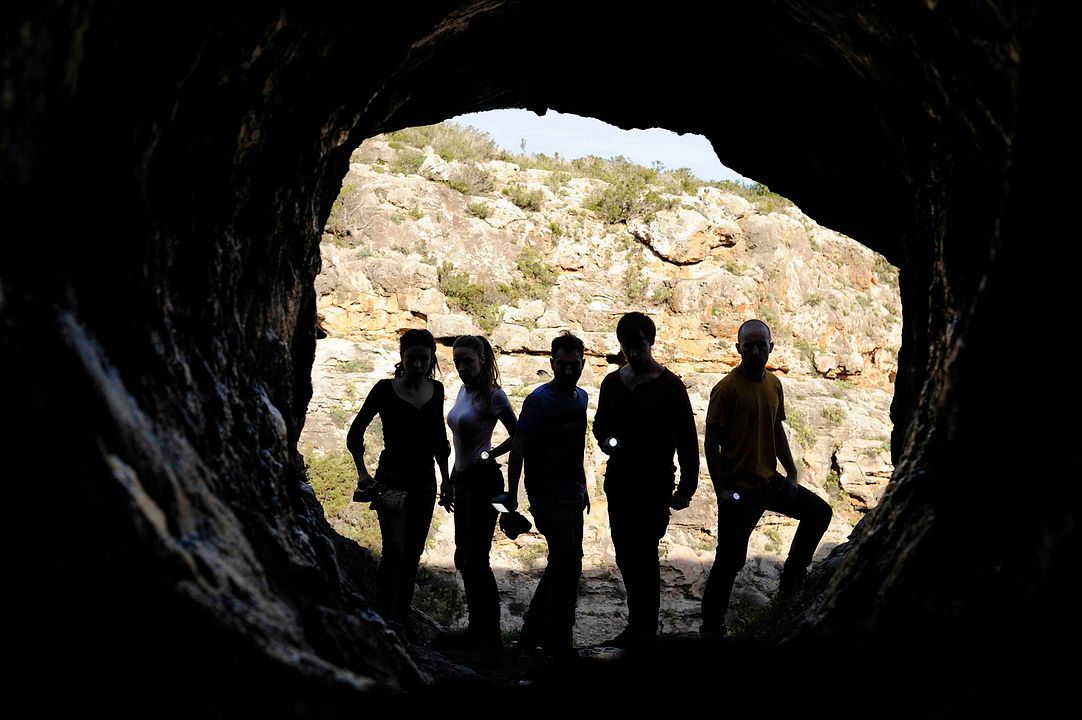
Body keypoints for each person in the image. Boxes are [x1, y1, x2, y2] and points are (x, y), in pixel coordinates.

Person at [700, 319, 833, 639]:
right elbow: (710, 441)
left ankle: (792, 578)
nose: (757, 351)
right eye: (750, 346)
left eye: (762, 345)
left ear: (772, 348)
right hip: (739, 488)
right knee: (730, 560)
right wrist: (720, 490)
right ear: (738, 349)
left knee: (819, 512)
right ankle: (711, 628)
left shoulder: (774, 384)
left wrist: (791, 471)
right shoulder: (726, 389)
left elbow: (777, 429)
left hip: (769, 481)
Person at [592, 312, 698, 648]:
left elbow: (687, 439)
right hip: (620, 481)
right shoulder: (612, 383)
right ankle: (637, 625)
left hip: (654, 485)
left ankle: (645, 631)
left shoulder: (671, 386)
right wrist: (608, 441)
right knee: (625, 554)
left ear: (650, 342)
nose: (633, 352)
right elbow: (599, 425)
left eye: (638, 344)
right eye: (627, 346)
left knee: (645, 553)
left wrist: (687, 487)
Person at [347, 329, 450, 624]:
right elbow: (355, 434)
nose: (417, 364)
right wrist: (363, 474)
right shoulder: (383, 389)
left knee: (412, 553)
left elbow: (439, 440)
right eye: (412, 358)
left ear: (431, 359)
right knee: (394, 549)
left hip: (425, 482)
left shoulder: (438, 390)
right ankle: (381, 616)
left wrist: (446, 480)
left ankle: (400, 621)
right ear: (402, 357)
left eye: (423, 359)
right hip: (390, 479)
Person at [502, 332, 589, 660]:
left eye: (574, 365)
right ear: (552, 364)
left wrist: (584, 487)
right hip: (546, 494)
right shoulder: (539, 401)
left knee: (565, 562)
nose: (568, 371)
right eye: (562, 365)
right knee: (568, 563)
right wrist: (513, 493)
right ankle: (558, 640)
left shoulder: (581, 398)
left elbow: (576, 447)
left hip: (572, 494)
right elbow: (519, 447)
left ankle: (531, 635)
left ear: (583, 364)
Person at [444, 334, 517, 648]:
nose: (462, 368)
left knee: (477, 558)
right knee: (464, 556)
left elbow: (519, 435)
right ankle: (477, 628)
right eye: (458, 362)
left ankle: (490, 634)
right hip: (462, 481)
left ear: (482, 360)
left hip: (484, 481)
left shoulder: (494, 396)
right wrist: (449, 480)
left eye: (468, 362)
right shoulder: (462, 390)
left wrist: (492, 454)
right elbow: (459, 444)